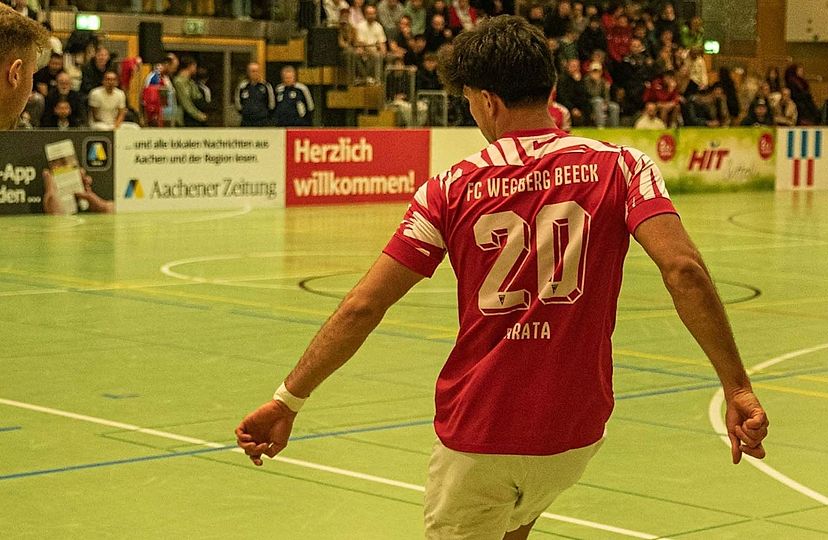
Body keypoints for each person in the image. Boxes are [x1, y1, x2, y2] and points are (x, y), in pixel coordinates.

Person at [236, 15, 769, 540]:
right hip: (574, 435)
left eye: (469, 100)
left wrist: (288, 401)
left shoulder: (448, 189)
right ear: (551, 86)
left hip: (481, 435)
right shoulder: (623, 166)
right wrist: (737, 386)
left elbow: (362, 307)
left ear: (486, 100)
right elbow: (684, 270)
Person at [235, 62, 275, 126]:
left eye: (257, 71)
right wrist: (244, 112)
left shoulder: (266, 85)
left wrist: (264, 113)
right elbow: (238, 103)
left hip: (262, 121)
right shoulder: (242, 86)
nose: (255, 73)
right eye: (253, 71)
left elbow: (271, 104)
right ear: (248, 72)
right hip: (246, 121)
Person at [173, 56, 208, 127]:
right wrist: (199, 115)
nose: (196, 69)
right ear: (190, 66)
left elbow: (197, 96)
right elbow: (185, 102)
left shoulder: (191, 82)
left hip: (193, 116)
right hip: (184, 119)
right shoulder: (179, 82)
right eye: (194, 66)